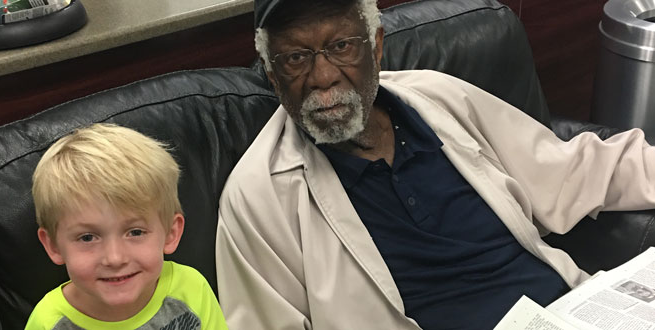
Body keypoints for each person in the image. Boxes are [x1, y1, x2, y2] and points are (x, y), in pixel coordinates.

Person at [214, 0, 655, 329]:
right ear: (273, 76)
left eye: (341, 46)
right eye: (296, 58)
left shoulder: (439, 98)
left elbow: (577, 169)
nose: (323, 76)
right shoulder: (257, 197)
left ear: (377, 46)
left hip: (567, 313)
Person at [27, 123, 227, 330]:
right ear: (54, 246)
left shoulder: (191, 289)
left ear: (171, 233)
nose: (115, 258)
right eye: (87, 237)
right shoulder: (47, 322)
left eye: (135, 232)